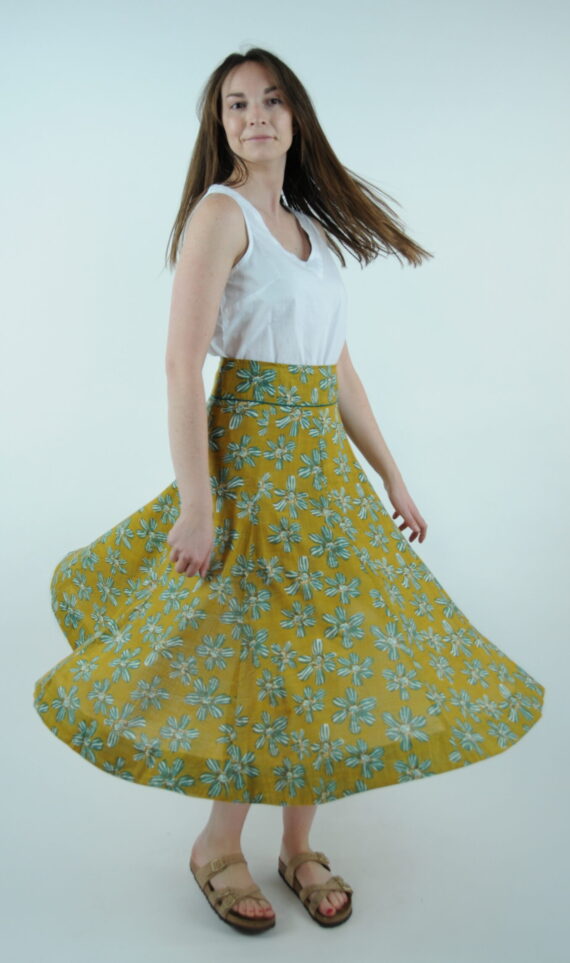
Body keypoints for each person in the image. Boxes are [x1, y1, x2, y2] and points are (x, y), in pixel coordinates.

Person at [33, 47, 545, 934]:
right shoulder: (219, 215)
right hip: (251, 471)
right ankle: (216, 846)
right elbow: (180, 366)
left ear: (295, 116)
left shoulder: (308, 231)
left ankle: (299, 845)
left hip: (321, 477)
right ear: (220, 124)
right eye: (236, 104)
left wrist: (390, 471)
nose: (255, 115)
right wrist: (198, 503)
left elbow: (335, 365)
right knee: (252, 651)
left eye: (270, 100)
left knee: (322, 649)